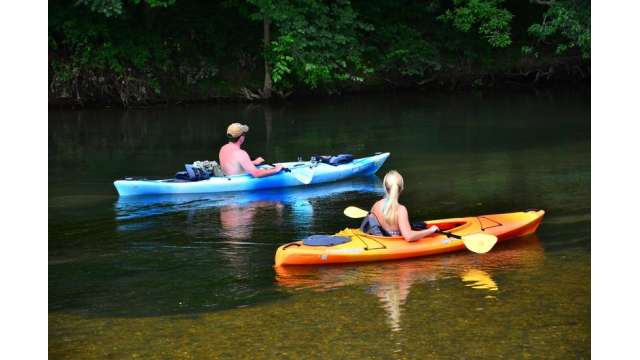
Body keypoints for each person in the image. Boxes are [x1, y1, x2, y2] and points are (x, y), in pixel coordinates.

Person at [370, 170, 439, 242]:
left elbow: (371, 225)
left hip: (381, 242)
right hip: (396, 247)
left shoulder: (376, 205)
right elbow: (408, 236)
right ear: (402, 188)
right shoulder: (401, 209)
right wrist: (430, 230)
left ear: (384, 187)